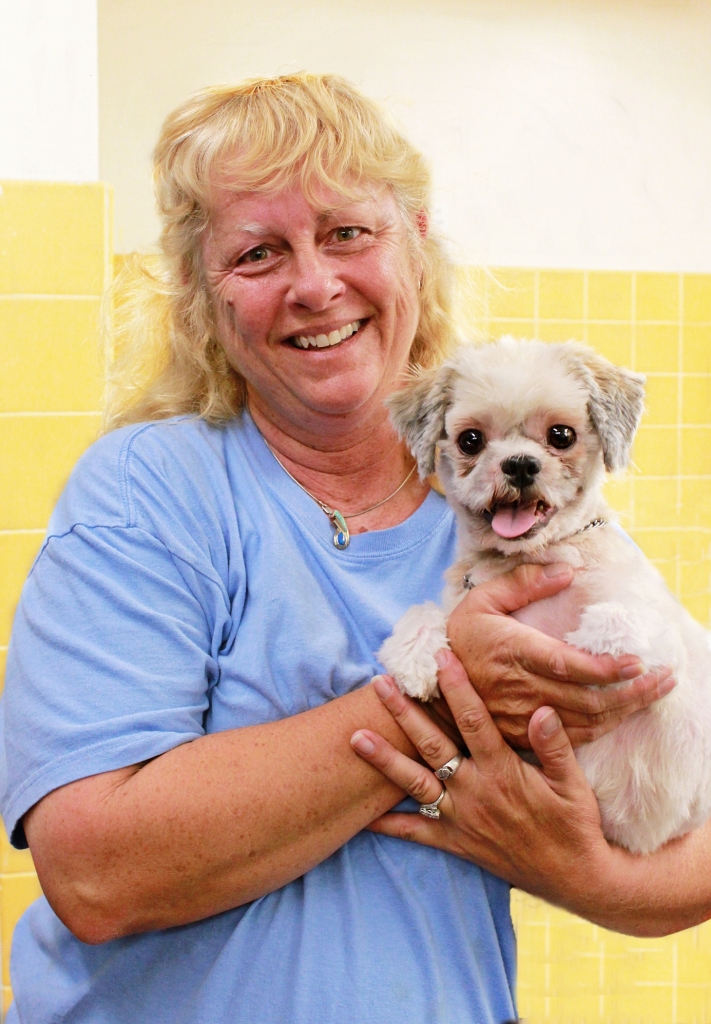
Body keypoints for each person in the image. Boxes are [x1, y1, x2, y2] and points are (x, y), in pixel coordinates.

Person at [0, 73, 674, 1024]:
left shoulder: (511, 505)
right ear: (200, 289)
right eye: (258, 252)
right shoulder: (148, 492)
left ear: (416, 240)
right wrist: (442, 688)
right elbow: (98, 872)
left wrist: (587, 873)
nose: (315, 285)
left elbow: (686, 792)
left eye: (348, 233)